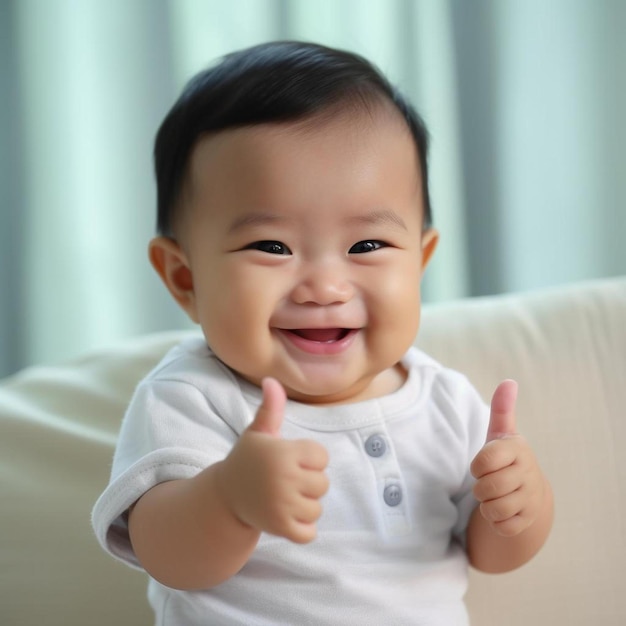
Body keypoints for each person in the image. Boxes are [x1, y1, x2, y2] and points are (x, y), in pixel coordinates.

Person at [92, 41, 553, 625]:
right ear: (186, 280)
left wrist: (518, 508)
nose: (324, 287)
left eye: (366, 246)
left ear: (419, 260)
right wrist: (230, 498)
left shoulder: (446, 403)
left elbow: (491, 556)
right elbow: (171, 558)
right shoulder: (193, 398)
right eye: (271, 246)